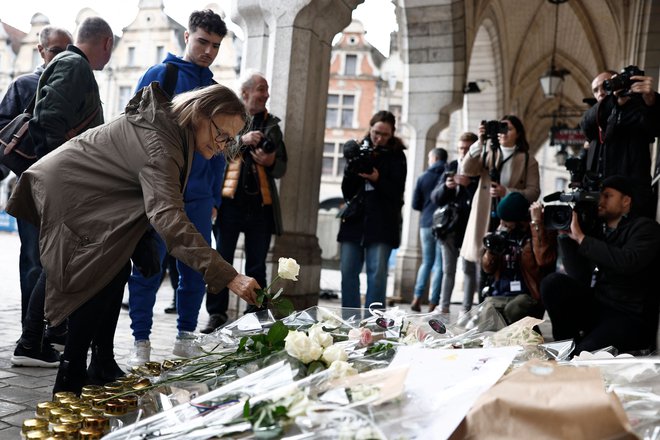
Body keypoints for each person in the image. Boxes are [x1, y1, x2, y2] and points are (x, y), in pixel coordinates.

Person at [6, 82, 260, 394]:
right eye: (222, 134)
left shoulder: (174, 133)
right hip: (72, 193)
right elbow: (168, 216)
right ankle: (69, 377)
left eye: (230, 140)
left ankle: (101, 363)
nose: (223, 145)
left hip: (93, 196)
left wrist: (144, 244)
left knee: (116, 270)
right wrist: (229, 276)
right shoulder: (162, 145)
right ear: (200, 114)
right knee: (96, 274)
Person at [126, 9, 228, 366]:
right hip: (158, 193)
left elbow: (221, 150)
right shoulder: (161, 75)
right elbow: (132, 130)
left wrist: (214, 197)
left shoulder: (216, 90)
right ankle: (141, 342)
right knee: (148, 269)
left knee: (196, 269)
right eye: (202, 42)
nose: (208, 51)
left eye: (215, 45)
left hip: (199, 197)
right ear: (187, 37)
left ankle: (186, 338)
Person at [10, 17, 113, 369]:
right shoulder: (73, 66)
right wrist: (66, 173)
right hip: (61, 186)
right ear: (106, 44)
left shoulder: (72, 65)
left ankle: (38, 338)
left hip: (59, 184)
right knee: (51, 264)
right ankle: (31, 342)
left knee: (56, 263)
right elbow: (47, 121)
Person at [200, 71, 288, 334]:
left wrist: (271, 161)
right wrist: (242, 140)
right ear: (246, 93)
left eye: (267, 89)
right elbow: (215, 150)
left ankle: (256, 313)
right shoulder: (230, 118)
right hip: (229, 203)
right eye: (261, 89)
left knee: (257, 263)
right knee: (222, 260)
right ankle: (216, 314)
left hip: (260, 206)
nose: (266, 94)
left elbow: (282, 166)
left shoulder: (272, 125)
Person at [0, 26, 72, 330]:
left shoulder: (76, 88)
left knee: (61, 263)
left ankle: (55, 327)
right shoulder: (23, 85)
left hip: (66, 192)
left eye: (67, 51)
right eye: (55, 50)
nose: (62, 57)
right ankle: (32, 333)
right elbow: (3, 131)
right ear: (41, 51)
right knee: (32, 260)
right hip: (30, 185)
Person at [541, 175, 660, 356]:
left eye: (608, 196)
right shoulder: (597, 231)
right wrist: (567, 237)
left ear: (626, 201)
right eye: (599, 196)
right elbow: (579, 276)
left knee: (583, 357)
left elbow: (627, 262)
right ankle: (565, 347)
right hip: (601, 306)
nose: (600, 201)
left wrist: (582, 239)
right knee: (552, 283)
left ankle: (578, 351)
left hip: (630, 315)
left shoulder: (645, 228)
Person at [459, 115, 540, 301]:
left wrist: (507, 192)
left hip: (510, 219)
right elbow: (467, 170)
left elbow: (534, 192)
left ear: (518, 134)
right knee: (484, 260)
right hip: (485, 214)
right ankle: (481, 309)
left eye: (508, 128)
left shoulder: (528, 160)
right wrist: (480, 142)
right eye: (501, 128)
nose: (503, 133)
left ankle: (503, 303)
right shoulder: (488, 152)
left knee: (505, 262)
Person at [337, 110, 407, 309]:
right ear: (370, 128)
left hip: (382, 223)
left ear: (392, 133)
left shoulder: (397, 156)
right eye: (376, 132)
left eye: (385, 134)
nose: (379, 138)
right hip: (354, 221)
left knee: (377, 275)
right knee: (348, 272)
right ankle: (348, 323)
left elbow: (397, 192)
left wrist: (377, 179)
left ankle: (373, 325)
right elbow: (347, 192)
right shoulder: (358, 151)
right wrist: (353, 169)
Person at [581, 69, 660, 216]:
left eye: (606, 85)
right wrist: (612, 101)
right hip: (597, 204)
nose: (601, 93)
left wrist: (652, 100)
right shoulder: (597, 116)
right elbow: (585, 125)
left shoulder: (638, 110)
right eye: (595, 90)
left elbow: (655, 126)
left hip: (630, 205)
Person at [480, 194, 556, 325]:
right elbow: (487, 268)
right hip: (502, 293)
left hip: (527, 296)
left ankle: (529, 335)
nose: (502, 224)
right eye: (501, 220)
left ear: (519, 220)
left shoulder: (537, 234)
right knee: (486, 313)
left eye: (506, 220)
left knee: (514, 309)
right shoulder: (503, 234)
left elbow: (544, 260)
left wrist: (536, 223)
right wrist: (492, 248)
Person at [431, 132, 480, 314]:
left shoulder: (480, 170)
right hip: (449, 226)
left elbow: (480, 200)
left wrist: (468, 185)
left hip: (469, 226)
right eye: (461, 148)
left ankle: (466, 310)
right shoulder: (451, 166)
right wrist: (446, 186)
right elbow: (435, 197)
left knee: (468, 269)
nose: (463, 152)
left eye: (468, 149)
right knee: (447, 269)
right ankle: (443, 306)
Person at [410, 148, 447, 312]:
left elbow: (415, 204)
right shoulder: (448, 176)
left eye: (429, 158)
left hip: (426, 223)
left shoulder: (423, 177)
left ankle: (417, 297)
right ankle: (433, 302)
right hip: (444, 225)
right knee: (440, 265)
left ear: (435, 158)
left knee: (427, 262)